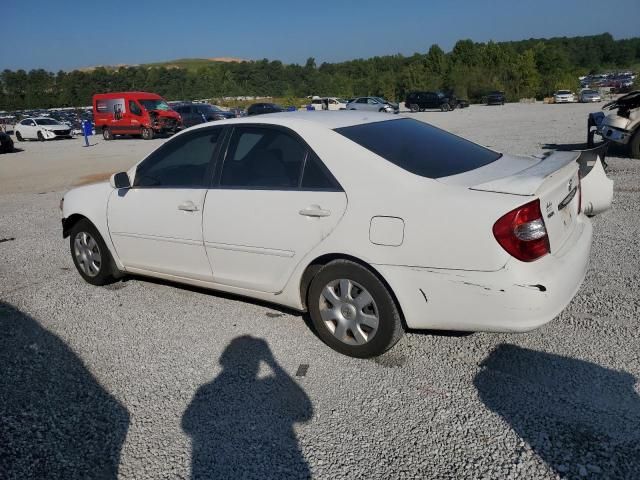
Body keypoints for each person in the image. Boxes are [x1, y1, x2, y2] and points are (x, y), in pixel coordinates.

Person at [182, 336, 313, 479]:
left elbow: (187, 424)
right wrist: (274, 365)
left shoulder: (205, 390)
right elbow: (304, 414)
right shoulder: (207, 389)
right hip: (291, 461)